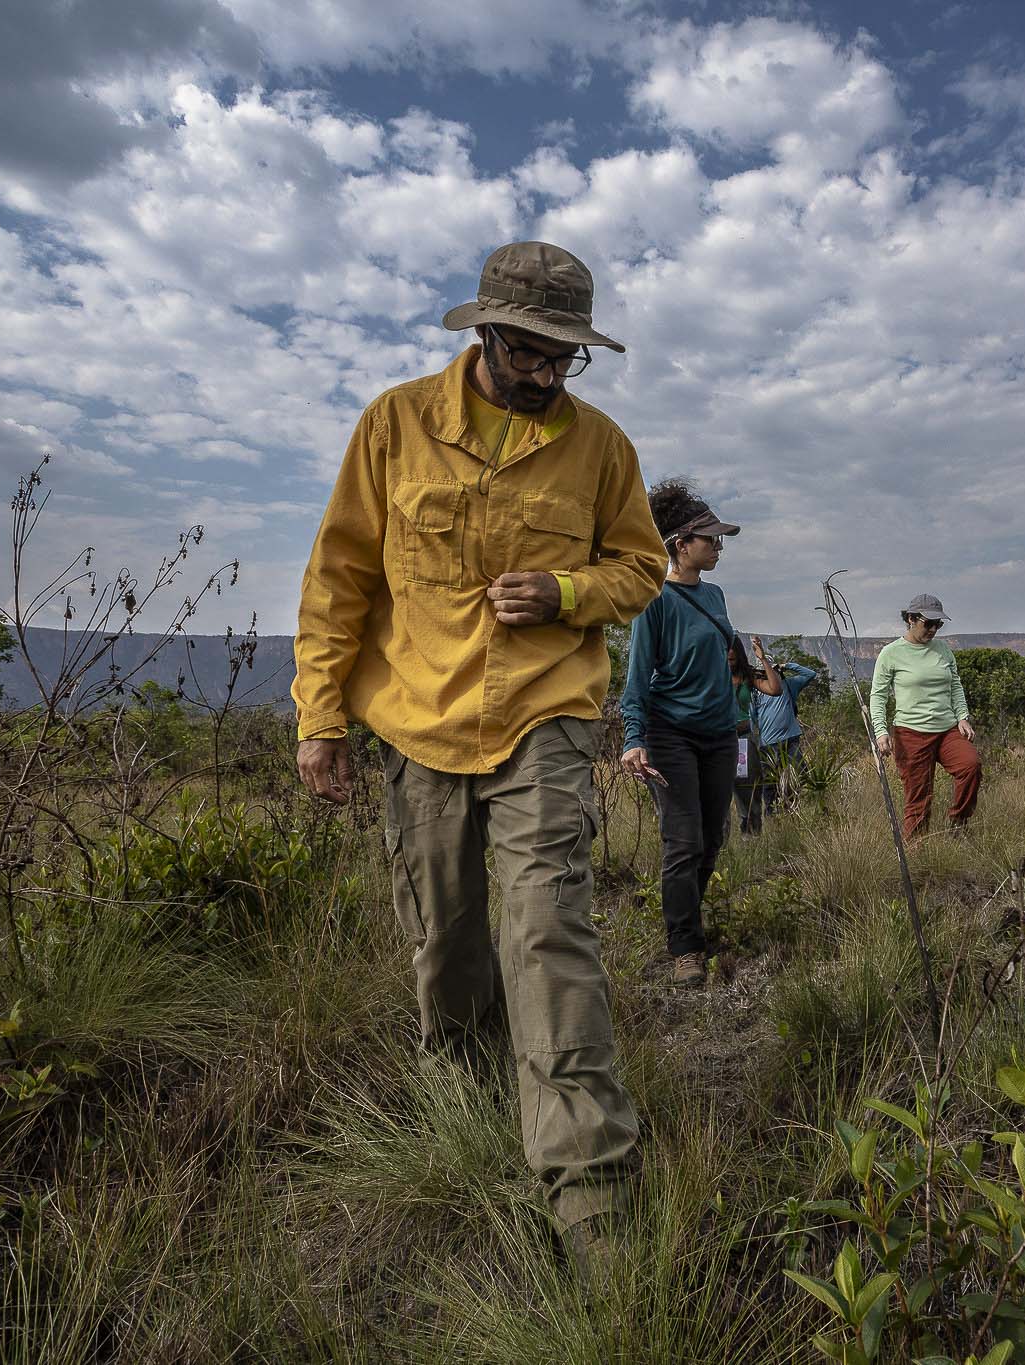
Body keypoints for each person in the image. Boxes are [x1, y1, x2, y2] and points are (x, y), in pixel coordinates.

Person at [291, 241, 666, 1258]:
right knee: (448, 946)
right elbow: (339, 581)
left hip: (543, 720)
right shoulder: (396, 424)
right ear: (484, 334)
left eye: (565, 358)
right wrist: (320, 717)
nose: (546, 375)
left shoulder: (601, 448)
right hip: (416, 722)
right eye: (530, 353)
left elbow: (639, 563)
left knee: (547, 937)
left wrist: (566, 594)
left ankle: (590, 1194)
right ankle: (462, 1120)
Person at [618, 480, 783, 987]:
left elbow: (729, 662)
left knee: (714, 838)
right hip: (671, 736)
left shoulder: (714, 595)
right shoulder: (655, 600)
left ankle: (689, 914)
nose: (718, 547)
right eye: (709, 539)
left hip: (720, 736)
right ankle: (685, 947)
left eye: (719, 539)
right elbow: (637, 676)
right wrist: (633, 738)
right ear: (679, 544)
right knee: (683, 840)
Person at [869, 593, 981, 839]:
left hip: (947, 729)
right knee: (918, 798)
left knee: (970, 765)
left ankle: (958, 825)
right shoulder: (891, 653)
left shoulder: (943, 650)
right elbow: (878, 695)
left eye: (938, 625)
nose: (933, 629)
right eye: (928, 623)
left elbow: (955, 685)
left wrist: (962, 717)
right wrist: (881, 732)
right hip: (911, 733)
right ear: (911, 619)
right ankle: (918, 854)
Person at [735, 638, 820, 833]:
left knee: (800, 774)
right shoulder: (757, 692)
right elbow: (752, 718)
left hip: (790, 740)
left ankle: (798, 808)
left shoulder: (789, 685)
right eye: (765, 672)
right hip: (768, 745)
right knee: (769, 783)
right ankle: (772, 816)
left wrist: (786, 665)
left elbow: (810, 674)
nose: (768, 675)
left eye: (772, 671)